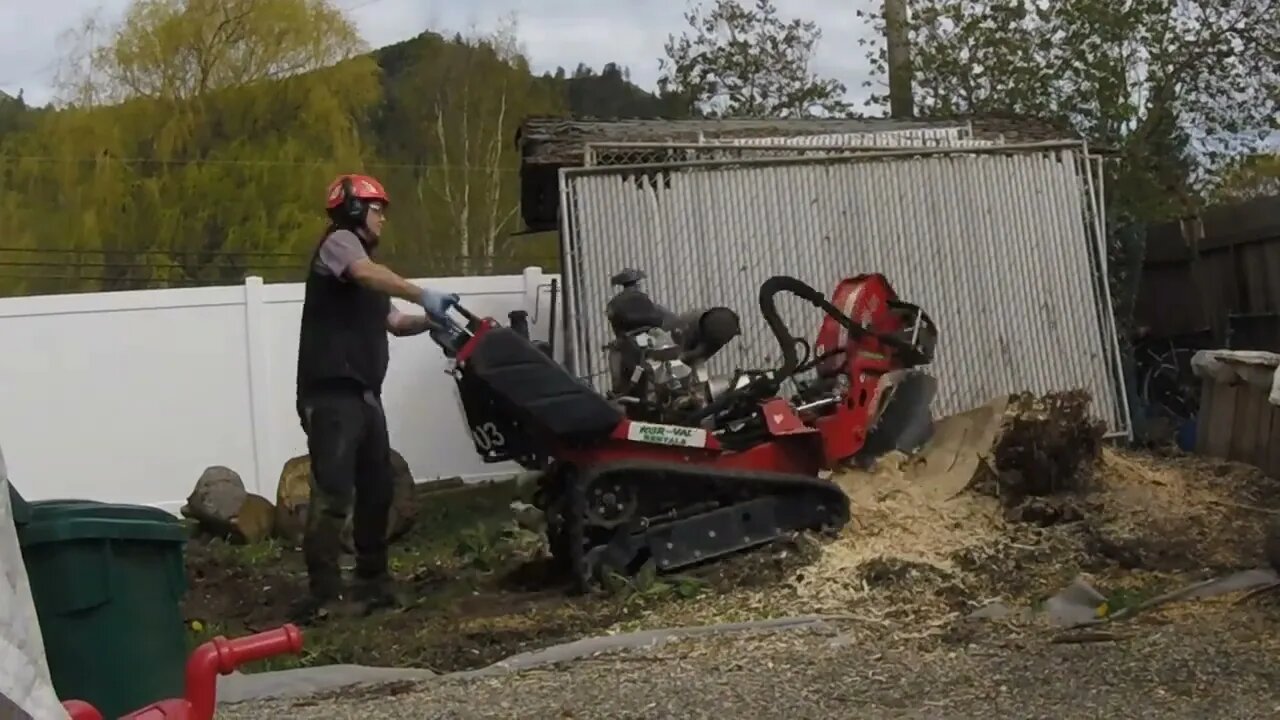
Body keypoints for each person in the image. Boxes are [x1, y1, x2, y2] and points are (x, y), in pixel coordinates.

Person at [291, 173, 458, 622]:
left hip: (364, 394)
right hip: (330, 393)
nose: (383, 217)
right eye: (377, 207)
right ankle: (323, 596)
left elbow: (395, 322)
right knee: (334, 494)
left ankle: (373, 586)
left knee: (377, 490)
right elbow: (367, 273)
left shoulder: (364, 269)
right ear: (352, 209)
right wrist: (425, 292)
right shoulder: (340, 245)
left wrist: (432, 321)